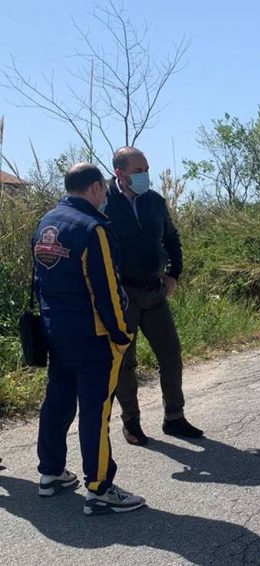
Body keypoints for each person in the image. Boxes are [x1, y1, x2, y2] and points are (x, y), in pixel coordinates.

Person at [33, 162, 145, 515]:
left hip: (55, 331)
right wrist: (121, 334)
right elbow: (107, 291)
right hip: (93, 336)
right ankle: (99, 487)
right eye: (104, 191)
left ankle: (50, 472)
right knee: (96, 411)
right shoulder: (92, 228)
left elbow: (39, 283)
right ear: (96, 187)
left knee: (58, 402)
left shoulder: (44, 224)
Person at [105, 147, 201, 446]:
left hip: (154, 291)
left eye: (146, 168)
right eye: (138, 170)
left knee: (171, 355)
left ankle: (174, 418)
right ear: (119, 173)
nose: (145, 175)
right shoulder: (103, 203)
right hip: (123, 295)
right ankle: (131, 422)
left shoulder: (155, 201)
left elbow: (172, 238)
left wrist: (174, 273)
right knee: (125, 362)